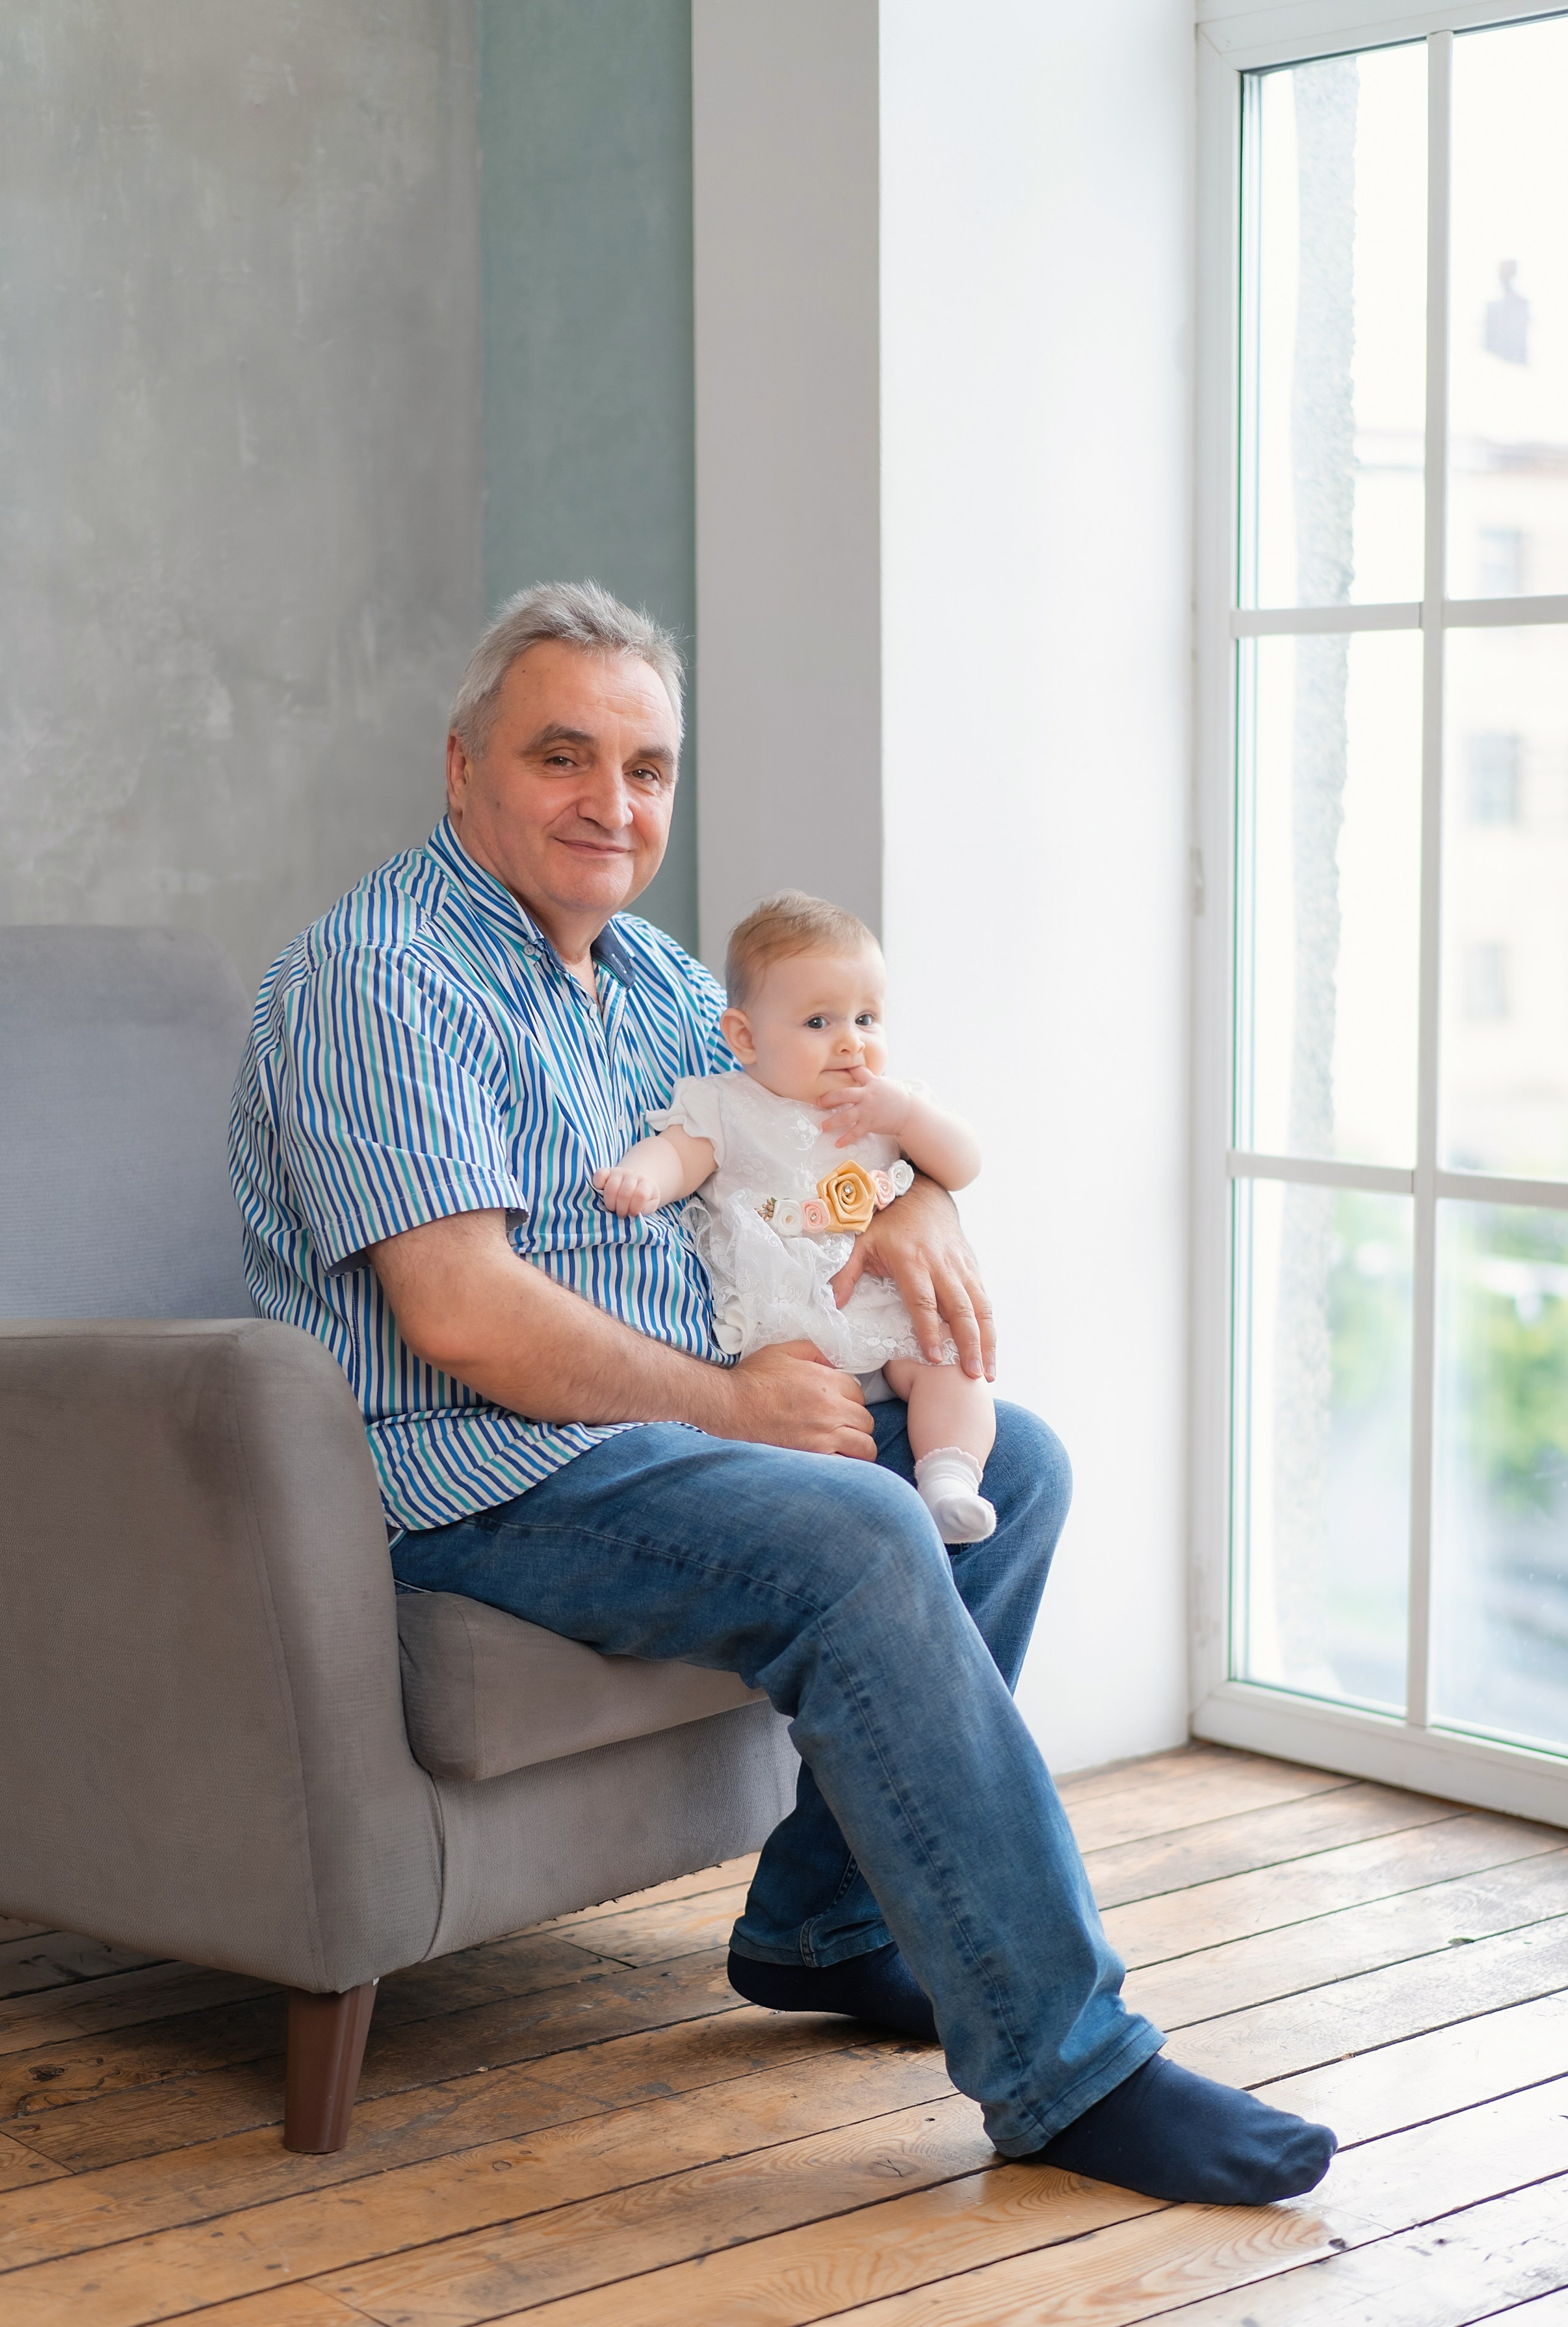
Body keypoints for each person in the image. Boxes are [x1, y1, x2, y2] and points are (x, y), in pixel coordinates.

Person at [230, 579, 1335, 2206]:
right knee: (857, 1532)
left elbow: (840, 1130)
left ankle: (828, 1926)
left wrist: (913, 1206)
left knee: (1007, 1465)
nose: (612, 803)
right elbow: (457, 1316)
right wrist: (738, 1408)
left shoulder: (667, 980)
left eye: (648, 768)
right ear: (459, 766)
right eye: (562, 755)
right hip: (473, 1471)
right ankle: (1066, 2066)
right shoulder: (380, 976)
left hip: (656, 1435)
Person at [592, 889, 999, 1547]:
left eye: (867, 1019)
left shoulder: (893, 1106)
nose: (850, 1045)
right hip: (790, 1328)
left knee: (950, 1365)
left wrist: (908, 1119)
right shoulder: (727, 1104)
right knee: (815, 1430)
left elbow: (964, 1163)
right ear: (744, 1038)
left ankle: (949, 1476)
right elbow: (681, 1152)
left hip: (884, 1307)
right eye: (819, 1023)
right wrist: (644, 1176)